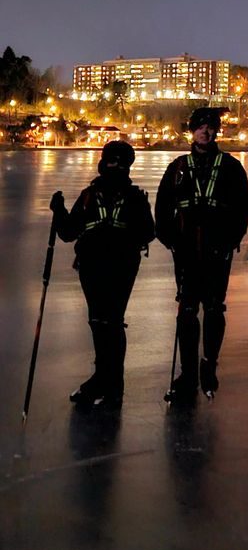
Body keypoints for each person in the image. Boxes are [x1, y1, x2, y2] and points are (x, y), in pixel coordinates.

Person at [49, 140, 154, 408]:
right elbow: (68, 232)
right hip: (93, 266)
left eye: (119, 162)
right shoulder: (88, 195)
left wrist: (120, 238)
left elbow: (148, 232)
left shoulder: (134, 198)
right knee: (100, 321)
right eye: (111, 160)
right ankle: (106, 380)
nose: (114, 166)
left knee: (111, 321)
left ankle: (109, 382)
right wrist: (58, 210)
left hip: (120, 266)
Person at [155, 106, 248, 403]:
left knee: (213, 308)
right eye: (200, 127)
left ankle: (209, 365)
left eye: (210, 127)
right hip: (185, 249)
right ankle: (188, 374)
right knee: (186, 310)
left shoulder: (231, 166)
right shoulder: (179, 166)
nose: (206, 132)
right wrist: (170, 240)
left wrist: (230, 240)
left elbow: (241, 209)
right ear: (192, 131)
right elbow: (162, 208)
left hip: (217, 248)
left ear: (216, 131)